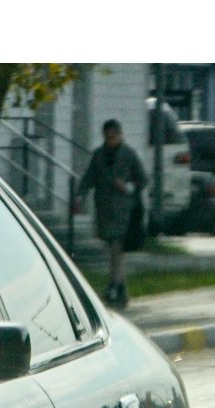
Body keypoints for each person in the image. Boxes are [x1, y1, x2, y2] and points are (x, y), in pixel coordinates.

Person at [73, 119, 147, 309]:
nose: (110, 140)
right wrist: (79, 196)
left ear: (120, 135)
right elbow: (89, 177)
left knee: (117, 246)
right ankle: (120, 289)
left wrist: (128, 186)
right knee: (114, 248)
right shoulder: (99, 155)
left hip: (124, 209)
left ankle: (113, 284)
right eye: (107, 137)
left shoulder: (129, 154)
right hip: (104, 208)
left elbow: (143, 179)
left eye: (113, 137)